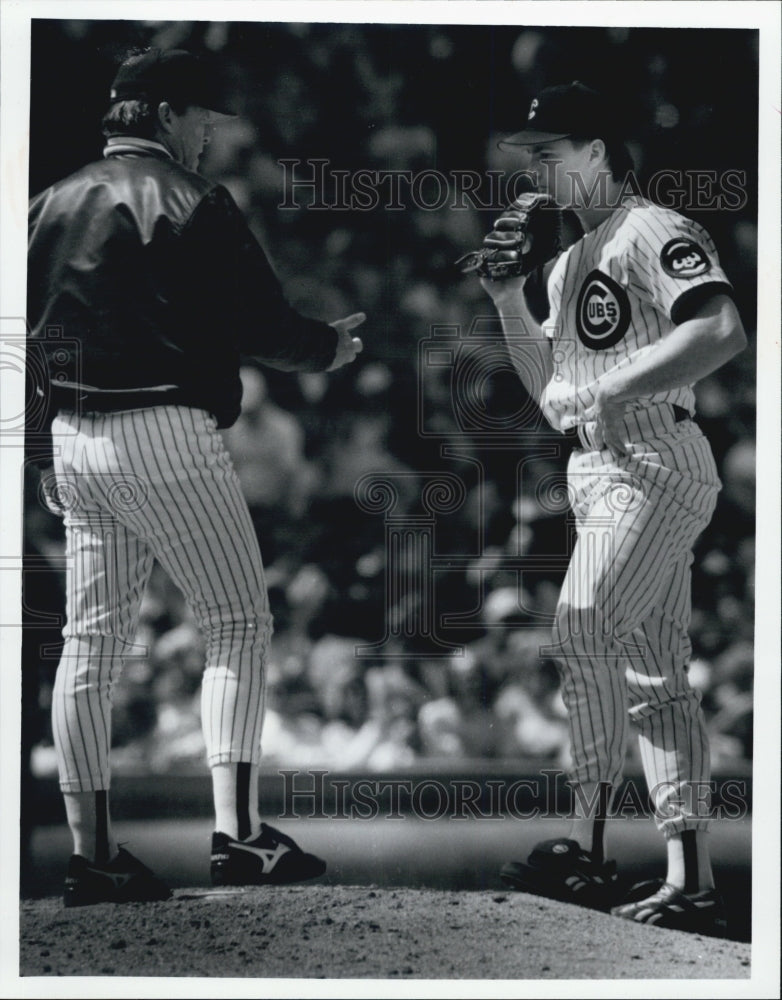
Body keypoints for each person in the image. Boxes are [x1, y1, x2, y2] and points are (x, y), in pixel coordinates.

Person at [26, 47, 365, 906]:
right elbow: (258, 322)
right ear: (167, 114)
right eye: (204, 120)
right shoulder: (192, 200)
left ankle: (92, 853)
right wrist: (328, 346)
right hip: (167, 429)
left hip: (75, 437)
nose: (210, 135)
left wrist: (40, 453)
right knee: (239, 621)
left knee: (90, 644)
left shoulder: (46, 204)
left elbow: (16, 347)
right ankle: (240, 838)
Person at [476, 82, 747, 935]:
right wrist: (506, 298)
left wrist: (616, 386)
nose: (538, 170)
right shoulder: (565, 263)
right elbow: (550, 395)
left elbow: (721, 331)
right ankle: (690, 875)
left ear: (597, 152)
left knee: (580, 620)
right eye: (533, 156)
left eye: (551, 153)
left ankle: (586, 849)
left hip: (657, 457)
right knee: (657, 676)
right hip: (600, 471)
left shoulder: (652, 228)